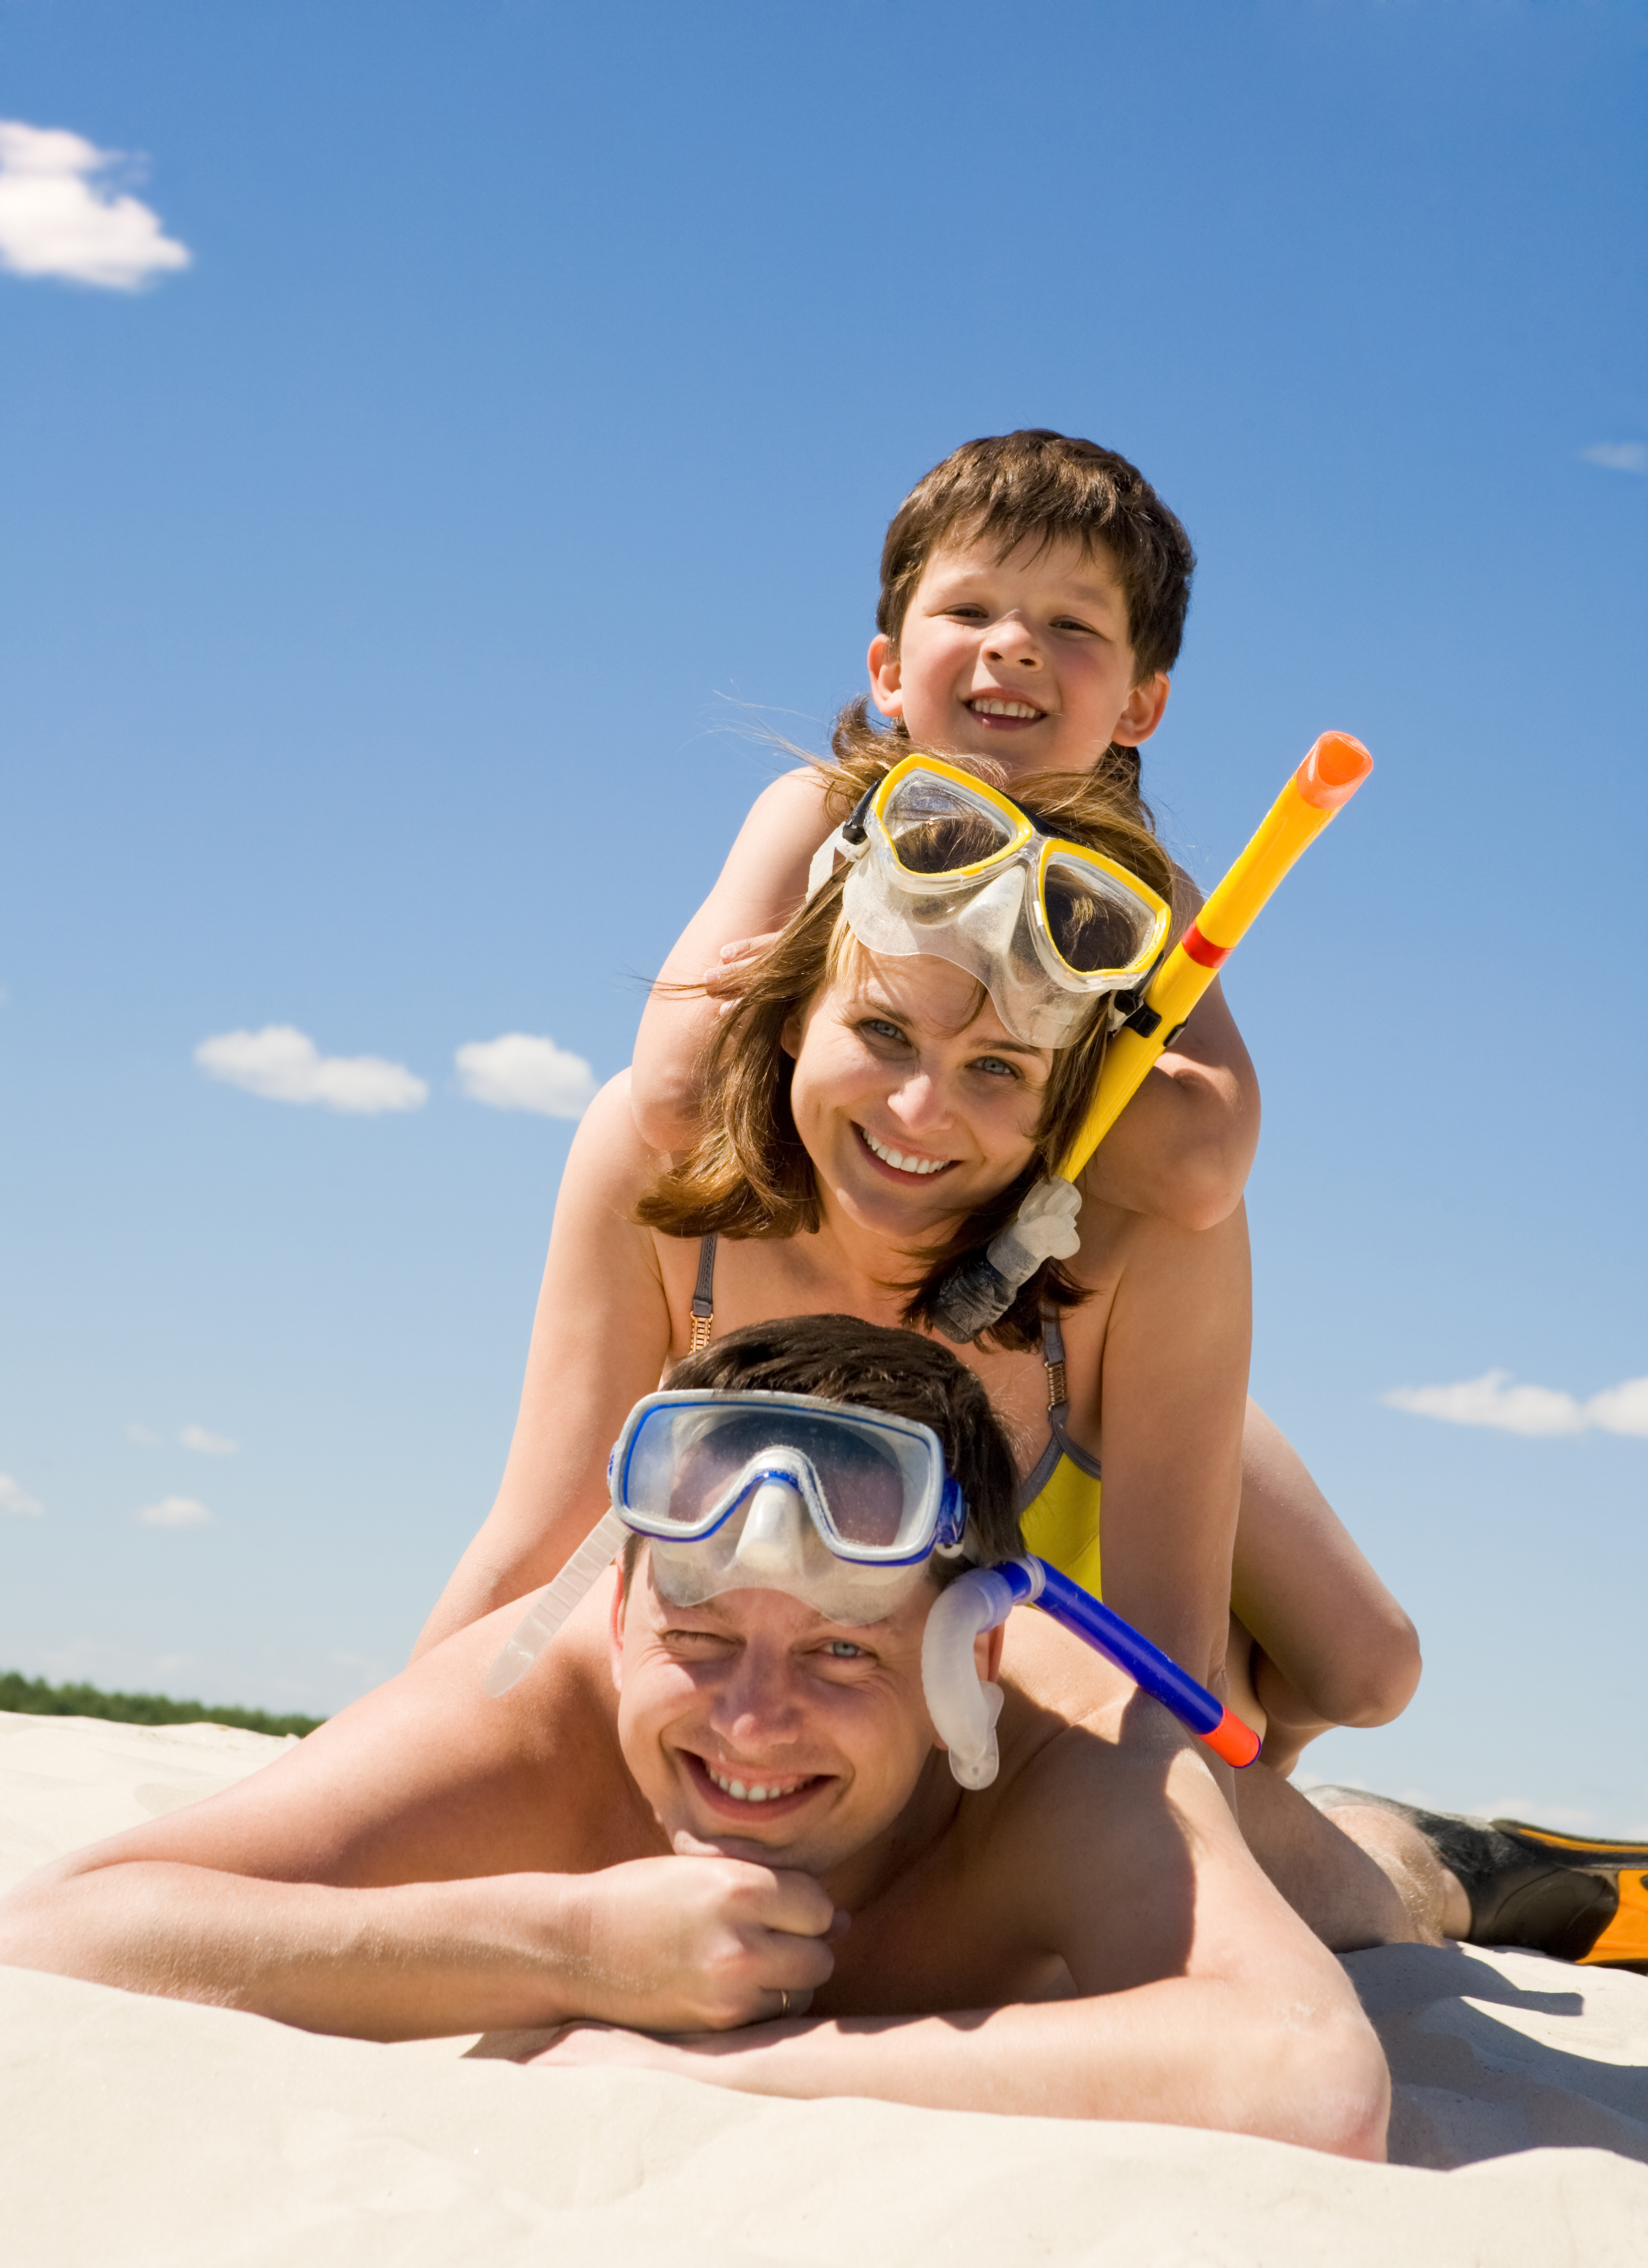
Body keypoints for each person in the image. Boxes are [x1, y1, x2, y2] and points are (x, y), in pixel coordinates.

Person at [0, 1318, 1391, 2162]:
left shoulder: (1069, 1753)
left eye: (843, 1652)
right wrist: (568, 1943)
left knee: (1382, 1889)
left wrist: (697, 2067)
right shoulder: (536, 1715)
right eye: (703, 1640)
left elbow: (1315, 2080)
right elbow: (55, 1934)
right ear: (617, 1612)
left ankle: (1436, 1851)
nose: (749, 1722)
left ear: (970, 1662)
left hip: (1272, 1840)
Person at [622, 428, 1419, 1766]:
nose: (1014, 647)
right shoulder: (813, 815)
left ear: (1142, 707)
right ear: (886, 669)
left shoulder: (1137, 893)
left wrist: (1024, 1047)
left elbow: (1205, 1165)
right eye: (972, 610)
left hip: (1090, 1353)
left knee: (1367, 1664)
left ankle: (1258, 1789)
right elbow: (671, 1090)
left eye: (1070, 624)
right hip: (877, 1340)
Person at [414, 745, 1414, 1787]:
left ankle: (1308, 1780)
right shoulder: (655, 1166)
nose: (920, 1113)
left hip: (1070, 1543)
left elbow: (1163, 1684)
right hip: (842, 1628)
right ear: (794, 1007)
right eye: (883, 1030)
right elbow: (531, 1553)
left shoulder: (1151, 1240)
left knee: (1364, 1674)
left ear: (1065, 1104)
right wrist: (370, 1771)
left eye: (997, 1068)